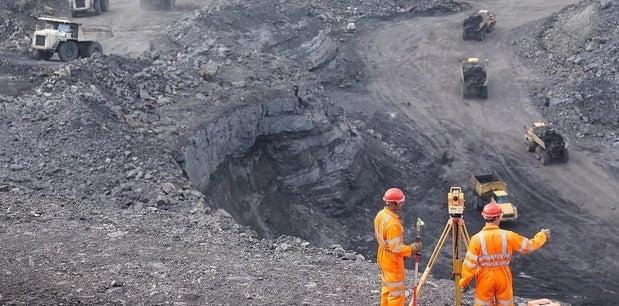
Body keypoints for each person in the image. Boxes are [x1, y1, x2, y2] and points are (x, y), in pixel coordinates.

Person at [459, 201, 551, 306]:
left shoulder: (476, 239)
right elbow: (529, 247)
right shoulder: (508, 236)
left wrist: (464, 282)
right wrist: (542, 236)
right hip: (503, 276)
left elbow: (469, 265)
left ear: (485, 217)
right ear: (498, 218)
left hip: (485, 277)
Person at [374, 187, 422, 306]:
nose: (402, 204)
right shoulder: (392, 223)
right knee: (396, 294)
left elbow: (385, 240)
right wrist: (412, 249)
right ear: (393, 204)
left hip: (383, 256)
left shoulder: (381, 214)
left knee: (387, 288)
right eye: (400, 202)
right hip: (392, 261)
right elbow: (396, 248)